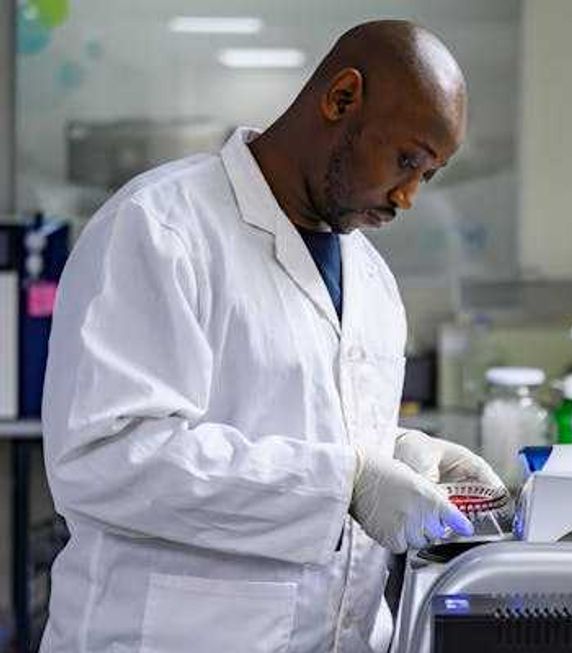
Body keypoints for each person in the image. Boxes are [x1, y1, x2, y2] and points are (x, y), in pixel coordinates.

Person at [40, 20, 504, 653]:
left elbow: (300, 424)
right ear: (342, 98)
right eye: (406, 161)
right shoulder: (160, 228)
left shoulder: (371, 277)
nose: (408, 196)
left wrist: (397, 454)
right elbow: (105, 458)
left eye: (429, 175)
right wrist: (346, 483)